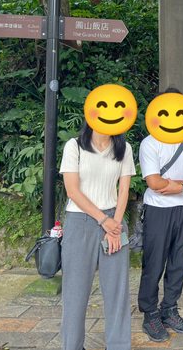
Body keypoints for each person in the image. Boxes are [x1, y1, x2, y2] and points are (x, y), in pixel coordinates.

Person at [138, 89, 183, 343]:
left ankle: (169, 308)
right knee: (154, 262)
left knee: (179, 260)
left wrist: (181, 186)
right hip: (158, 210)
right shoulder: (149, 143)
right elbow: (154, 182)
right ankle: (150, 314)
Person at [59, 121, 135, 350]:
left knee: (117, 291)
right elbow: (72, 190)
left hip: (115, 220)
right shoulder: (74, 146)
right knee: (75, 291)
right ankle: (72, 346)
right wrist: (104, 220)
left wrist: (115, 226)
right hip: (80, 222)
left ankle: (118, 346)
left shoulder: (124, 148)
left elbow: (124, 189)